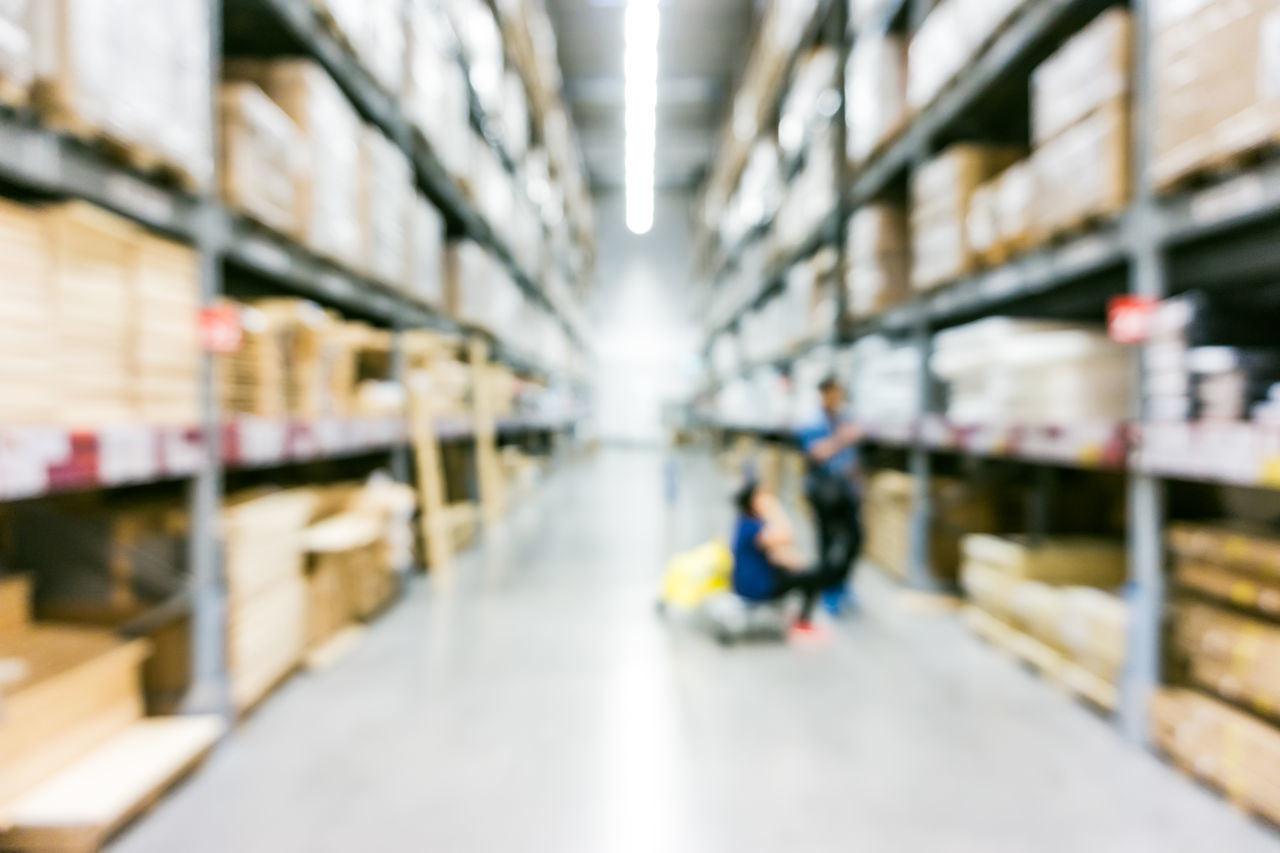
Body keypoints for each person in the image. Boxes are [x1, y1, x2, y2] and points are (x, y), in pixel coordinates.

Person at [730, 479, 844, 635]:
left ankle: (801, 620)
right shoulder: (751, 527)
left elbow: (776, 555)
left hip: (751, 581)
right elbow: (786, 535)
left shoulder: (746, 522)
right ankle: (803, 623)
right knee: (812, 577)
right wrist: (773, 509)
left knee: (802, 571)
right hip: (755, 586)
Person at [796, 375, 864, 615]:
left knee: (855, 539)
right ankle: (829, 590)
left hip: (847, 490)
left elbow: (852, 455)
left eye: (840, 392)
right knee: (825, 542)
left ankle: (841, 582)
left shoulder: (845, 418)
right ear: (824, 393)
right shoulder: (812, 421)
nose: (838, 397)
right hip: (823, 491)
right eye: (834, 392)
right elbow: (816, 453)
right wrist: (842, 439)